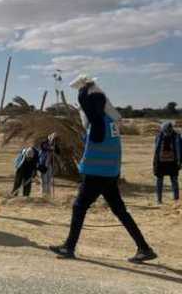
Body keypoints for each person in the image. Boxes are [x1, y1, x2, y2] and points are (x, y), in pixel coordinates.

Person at [50, 75, 156, 263]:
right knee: (120, 211)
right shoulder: (109, 123)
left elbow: (86, 105)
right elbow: (92, 144)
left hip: (96, 174)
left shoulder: (98, 123)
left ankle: (69, 247)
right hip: (110, 174)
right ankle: (144, 247)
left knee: (79, 207)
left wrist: (84, 88)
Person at [153, 122, 180, 204]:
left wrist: (179, 161)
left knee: (174, 181)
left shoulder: (176, 136)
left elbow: (179, 150)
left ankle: (176, 199)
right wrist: (155, 161)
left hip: (172, 162)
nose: (168, 131)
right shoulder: (159, 136)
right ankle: (159, 199)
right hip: (161, 162)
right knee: (160, 181)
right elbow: (156, 149)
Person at [38, 133, 60, 197]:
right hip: (43, 165)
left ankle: (48, 195)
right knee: (44, 181)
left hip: (49, 165)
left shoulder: (54, 145)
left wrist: (55, 147)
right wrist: (51, 148)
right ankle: (44, 195)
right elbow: (43, 147)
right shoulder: (44, 143)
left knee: (49, 181)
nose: (53, 141)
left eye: (54, 140)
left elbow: (58, 152)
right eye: (52, 139)